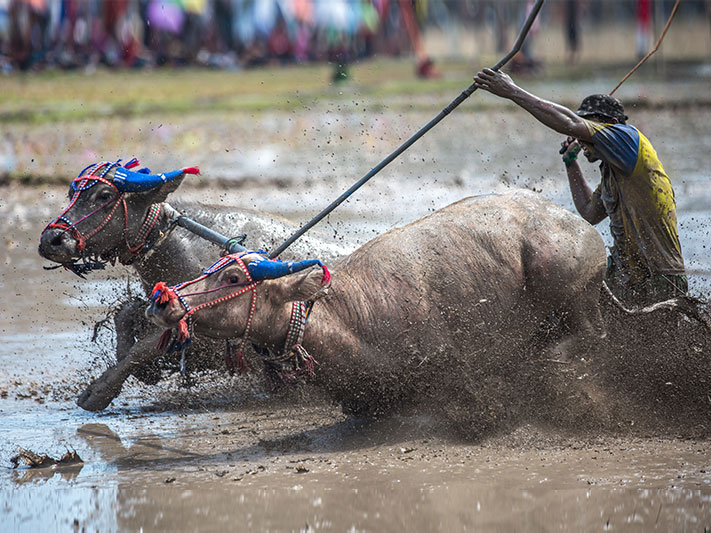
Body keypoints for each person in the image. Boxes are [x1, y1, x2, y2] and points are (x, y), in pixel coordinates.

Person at [473, 68, 687, 306]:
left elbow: (569, 123)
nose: (581, 138)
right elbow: (589, 212)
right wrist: (570, 163)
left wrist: (512, 91)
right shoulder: (613, 173)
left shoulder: (628, 139)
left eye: (588, 128)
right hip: (626, 277)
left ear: (611, 126)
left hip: (659, 278)